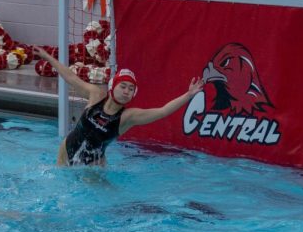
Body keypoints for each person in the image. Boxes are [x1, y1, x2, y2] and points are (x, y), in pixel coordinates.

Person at [33, 46, 204, 166]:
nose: (126, 91)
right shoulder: (96, 95)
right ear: (112, 87)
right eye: (123, 87)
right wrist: (48, 58)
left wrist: (188, 95)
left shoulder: (127, 117)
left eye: (131, 89)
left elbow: (163, 111)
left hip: (91, 170)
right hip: (64, 154)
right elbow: (71, 78)